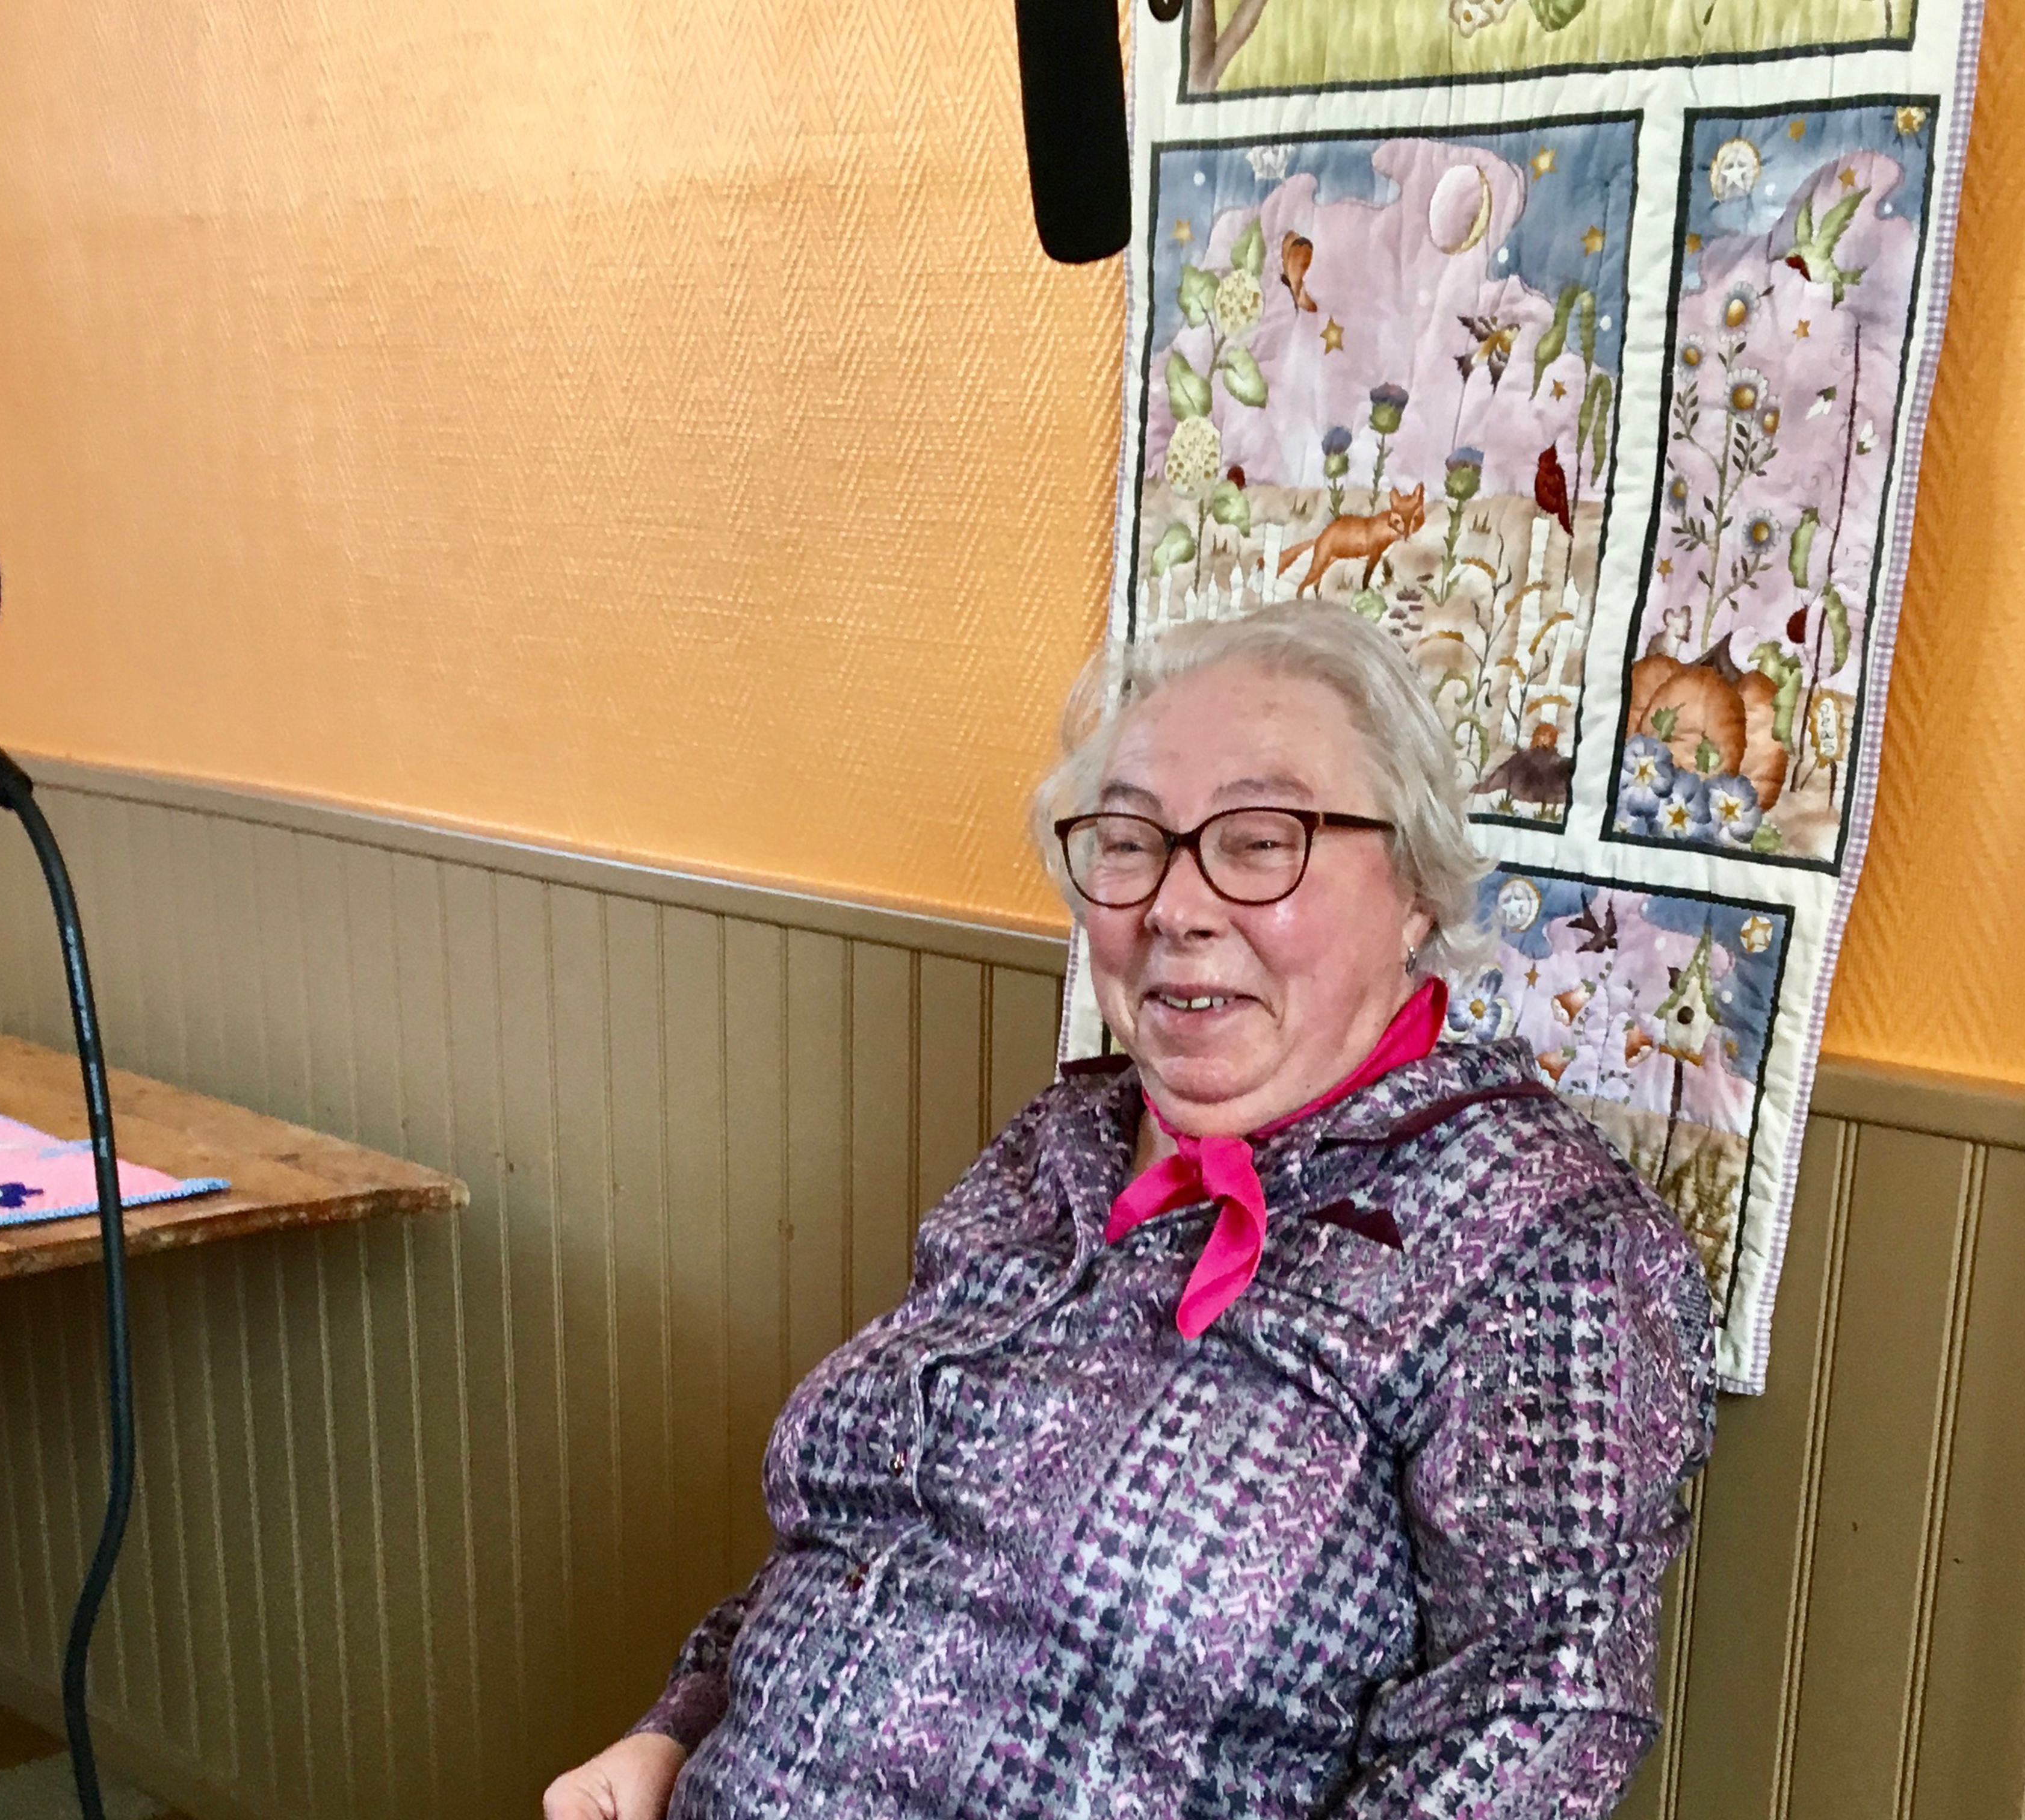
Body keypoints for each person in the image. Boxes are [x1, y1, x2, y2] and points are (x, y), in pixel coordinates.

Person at [544, 605, 1715, 1819]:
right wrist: (675, 1732)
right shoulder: (1061, 1142)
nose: (1175, 907)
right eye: (1130, 842)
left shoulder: (1541, 1237)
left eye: (1259, 843)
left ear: (1415, 889)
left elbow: (1542, 1720)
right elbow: (869, 1534)